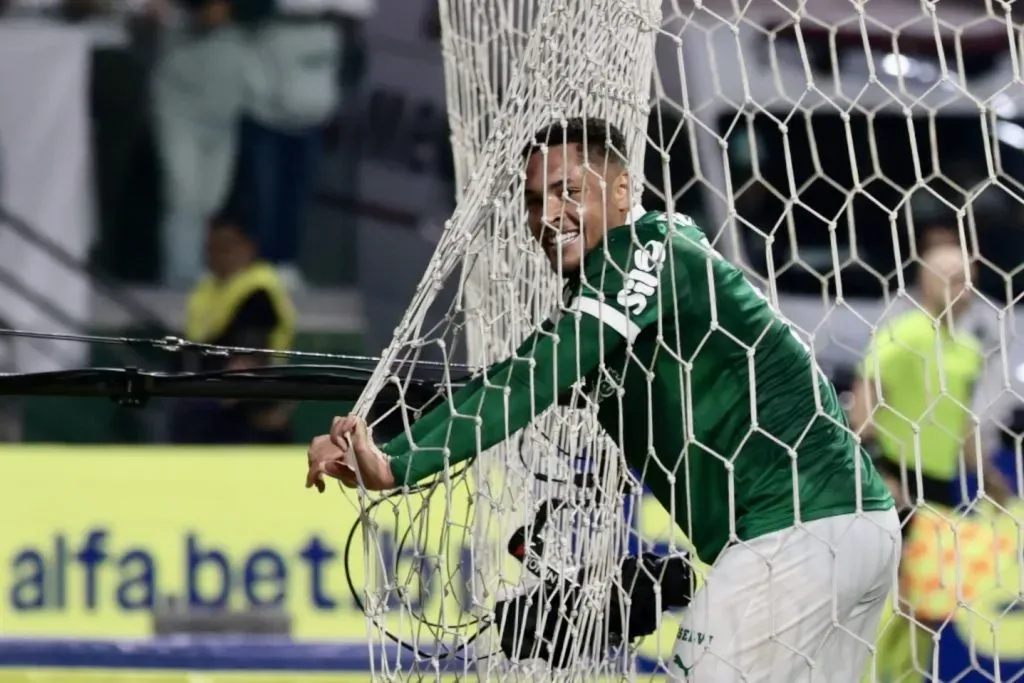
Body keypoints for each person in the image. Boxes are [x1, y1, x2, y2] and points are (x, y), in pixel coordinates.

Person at [308, 117, 899, 681]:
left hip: (800, 529)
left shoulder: (643, 252)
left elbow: (532, 376)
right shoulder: (634, 280)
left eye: (569, 191)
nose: (549, 214)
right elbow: (519, 377)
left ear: (621, 189)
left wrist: (397, 461)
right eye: (536, 200)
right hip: (850, 526)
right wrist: (379, 439)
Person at [849, 240, 1013, 683]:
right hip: (895, 482)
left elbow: (959, 427)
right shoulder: (903, 334)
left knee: (924, 607)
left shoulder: (968, 350)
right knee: (887, 600)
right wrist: (880, 470)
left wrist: (990, 479)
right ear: (927, 281)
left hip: (938, 490)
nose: (964, 290)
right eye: (954, 280)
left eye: (970, 282)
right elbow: (863, 406)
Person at [171, 214, 296, 444]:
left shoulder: (259, 289)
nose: (217, 256)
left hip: (249, 405)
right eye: (211, 248)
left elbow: (250, 354)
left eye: (225, 247)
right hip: (209, 394)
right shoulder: (207, 288)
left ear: (248, 247)